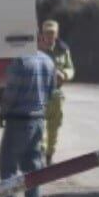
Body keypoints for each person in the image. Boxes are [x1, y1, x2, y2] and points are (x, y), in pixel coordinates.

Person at [0, 46, 56, 197]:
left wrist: (2, 112)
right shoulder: (48, 61)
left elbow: (11, 93)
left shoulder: (20, 61)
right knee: (32, 165)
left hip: (19, 120)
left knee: (7, 165)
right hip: (38, 120)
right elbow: (51, 91)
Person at [39, 20, 74, 166]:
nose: (49, 36)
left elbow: (71, 68)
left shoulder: (63, 50)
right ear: (42, 34)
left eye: (52, 33)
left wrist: (65, 74)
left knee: (54, 127)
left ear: (56, 34)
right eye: (47, 33)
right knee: (38, 127)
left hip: (56, 95)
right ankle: (40, 153)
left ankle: (49, 156)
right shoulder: (35, 50)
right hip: (39, 94)